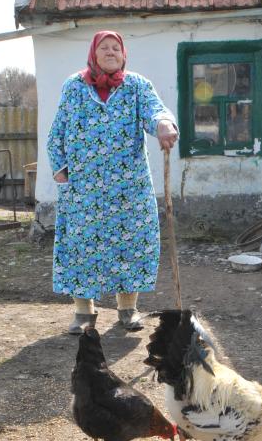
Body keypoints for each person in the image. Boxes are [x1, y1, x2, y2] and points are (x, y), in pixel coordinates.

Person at [47, 30, 178, 334]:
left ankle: (128, 310)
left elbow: (154, 110)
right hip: (83, 188)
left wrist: (163, 124)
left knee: (130, 244)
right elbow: (58, 130)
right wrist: (60, 168)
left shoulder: (136, 86)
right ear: (93, 54)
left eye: (115, 48)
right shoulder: (74, 86)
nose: (110, 52)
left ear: (123, 54)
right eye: (103, 47)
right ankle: (83, 313)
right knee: (81, 246)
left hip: (128, 188)